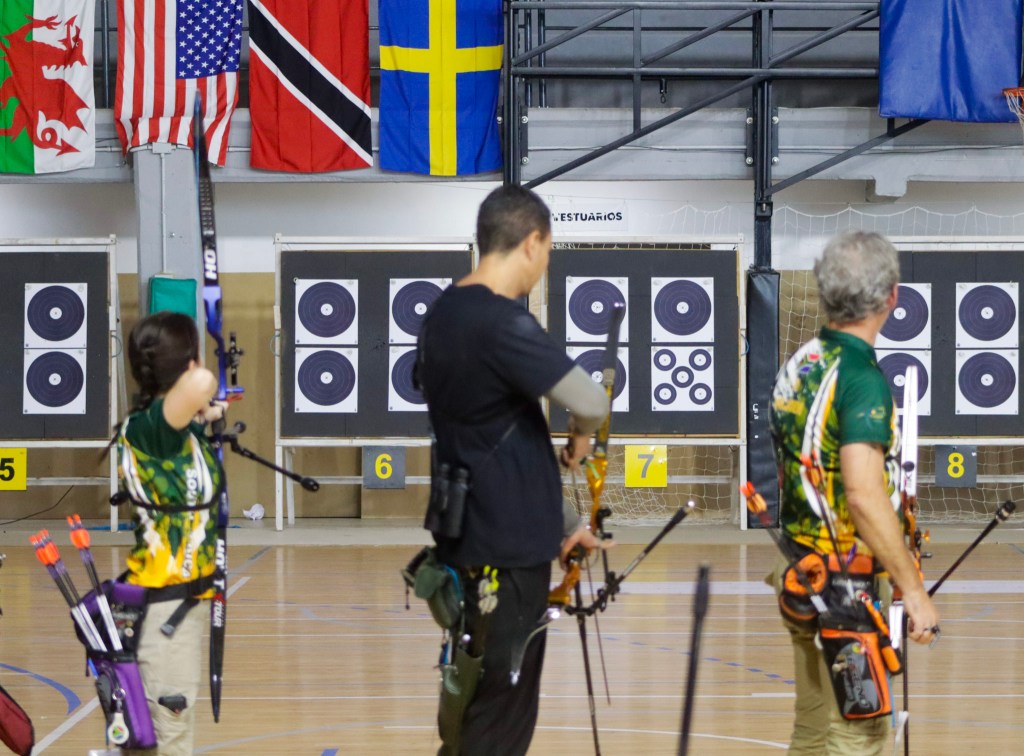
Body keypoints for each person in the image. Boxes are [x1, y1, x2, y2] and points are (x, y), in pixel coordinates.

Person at [416, 185, 610, 755]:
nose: (545, 262)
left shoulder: (442, 315)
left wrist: (565, 521)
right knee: (499, 717)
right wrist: (581, 434)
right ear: (531, 241)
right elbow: (592, 401)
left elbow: (494, 440)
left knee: (475, 702)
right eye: (548, 250)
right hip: (506, 553)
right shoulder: (499, 322)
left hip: (467, 538)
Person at [768, 230, 940, 755]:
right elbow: (863, 495)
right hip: (845, 586)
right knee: (858, 733)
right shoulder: (861, 378)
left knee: (813, 727)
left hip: (799, 569)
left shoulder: (802, 361)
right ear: (891, 296)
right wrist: (913, 591)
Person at [115, 311, 227, 755]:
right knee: (168, 737)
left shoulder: (174, 431)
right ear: (186, 363)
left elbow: (195, 401)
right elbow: (201, 384)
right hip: (164, 612)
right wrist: (201, 388)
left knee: (168, 732)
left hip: (182, 606)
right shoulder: (150, 430)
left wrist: (207, 413)